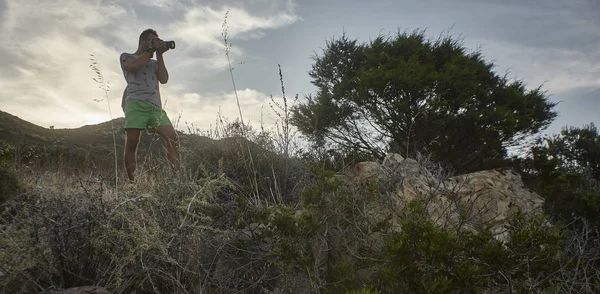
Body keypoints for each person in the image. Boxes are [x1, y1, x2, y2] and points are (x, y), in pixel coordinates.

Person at [120, 28, 180, 183]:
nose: (155, 43)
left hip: (154, 106)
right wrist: (151, 50)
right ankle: (132, 182)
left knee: (173, 139)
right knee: (132, 142)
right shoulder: (127, 57)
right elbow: (133, 66)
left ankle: (175, 179)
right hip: (135, 104)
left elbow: (164, 79)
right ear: (143, 41)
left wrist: (159, 54)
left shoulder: (153, 63)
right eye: (152, 40)